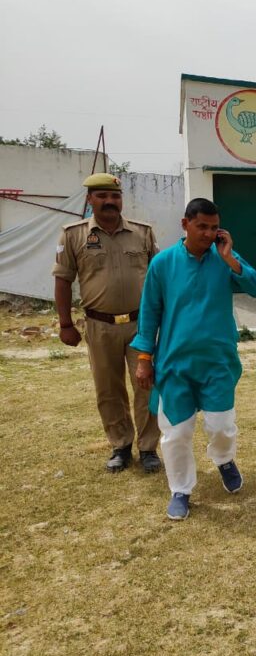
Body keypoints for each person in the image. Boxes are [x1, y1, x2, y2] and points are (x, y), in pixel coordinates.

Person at [131, 197, 256, 520]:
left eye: (214, 227)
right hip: (174, 363)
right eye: (201, 226)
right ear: (185, 224)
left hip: (218, 362)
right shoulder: (162, 263)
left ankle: (224, 460)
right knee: (176, 432)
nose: (208, 233)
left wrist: (230, 258)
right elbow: (149, 312)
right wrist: (144, 357)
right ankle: (180, 489)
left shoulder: (224, 257)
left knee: (221, 426)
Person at [52, 173, 162, 473]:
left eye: (115, 196)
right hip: (99, 325)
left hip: (141, 325)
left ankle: (149, 448)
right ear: (90, 199)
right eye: (102, 196)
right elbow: (63, 279)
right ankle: (121, 445)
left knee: (147, 385)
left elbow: (159, 277)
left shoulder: (142, 233)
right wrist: (65, 323)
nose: (110, 201)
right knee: (108, 389)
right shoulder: (73, 235)